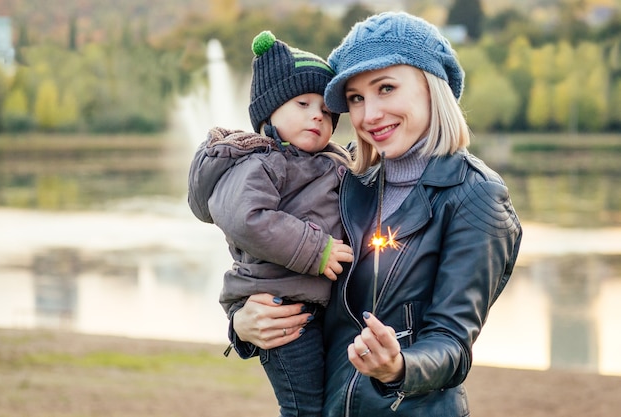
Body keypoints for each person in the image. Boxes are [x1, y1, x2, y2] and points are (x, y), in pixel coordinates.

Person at [229, 12, 523, 417]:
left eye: (386, 88)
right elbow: (264, 262)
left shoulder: (477, 197)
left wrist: (399, 367)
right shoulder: (342, 178)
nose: (369, 115)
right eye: (356, 98)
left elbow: (452, 344)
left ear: (431, 86)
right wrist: (242, 325)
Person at [187, 30, 354, 417]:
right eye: (303, 103)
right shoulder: (260, 162)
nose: (318, 115)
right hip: (281, 306)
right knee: (304, 408)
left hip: (314, 304)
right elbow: (247, 219)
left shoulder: (329, 162)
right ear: (269, 111)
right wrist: (317, 249)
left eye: (328, 112)